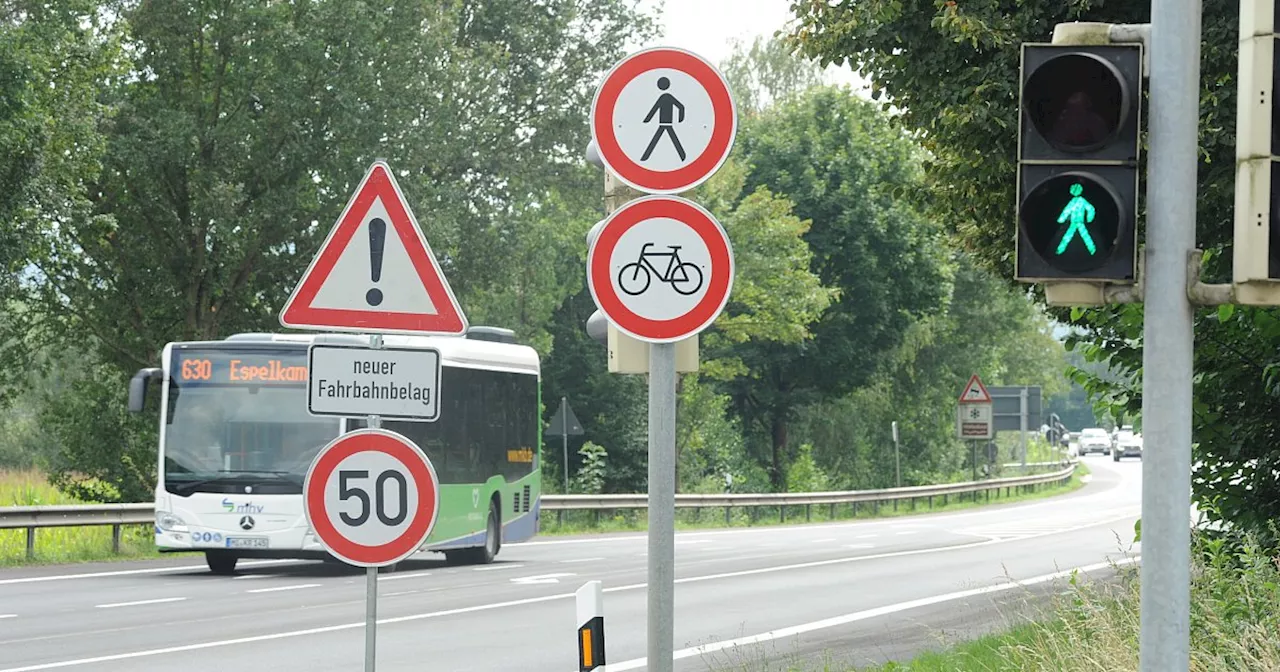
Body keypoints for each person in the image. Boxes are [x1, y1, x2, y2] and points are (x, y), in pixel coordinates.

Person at [641, 77, 686, 161]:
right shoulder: (667, 97)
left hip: (665, 123)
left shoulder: (665, 97)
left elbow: (654, 109)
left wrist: (647, 119)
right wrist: (680, 118)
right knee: (670, 139)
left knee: (657, 139)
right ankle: (683, 156)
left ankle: (645, 157)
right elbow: (681, 107)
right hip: (665, 123)